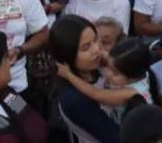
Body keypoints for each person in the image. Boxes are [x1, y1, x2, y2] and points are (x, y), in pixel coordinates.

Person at [51, 14, 122, 143]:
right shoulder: (73, 99)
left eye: (95, 40)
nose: (96, 49)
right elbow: (115, 137)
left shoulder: (101, 68)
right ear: (67, 56)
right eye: (86, 47)